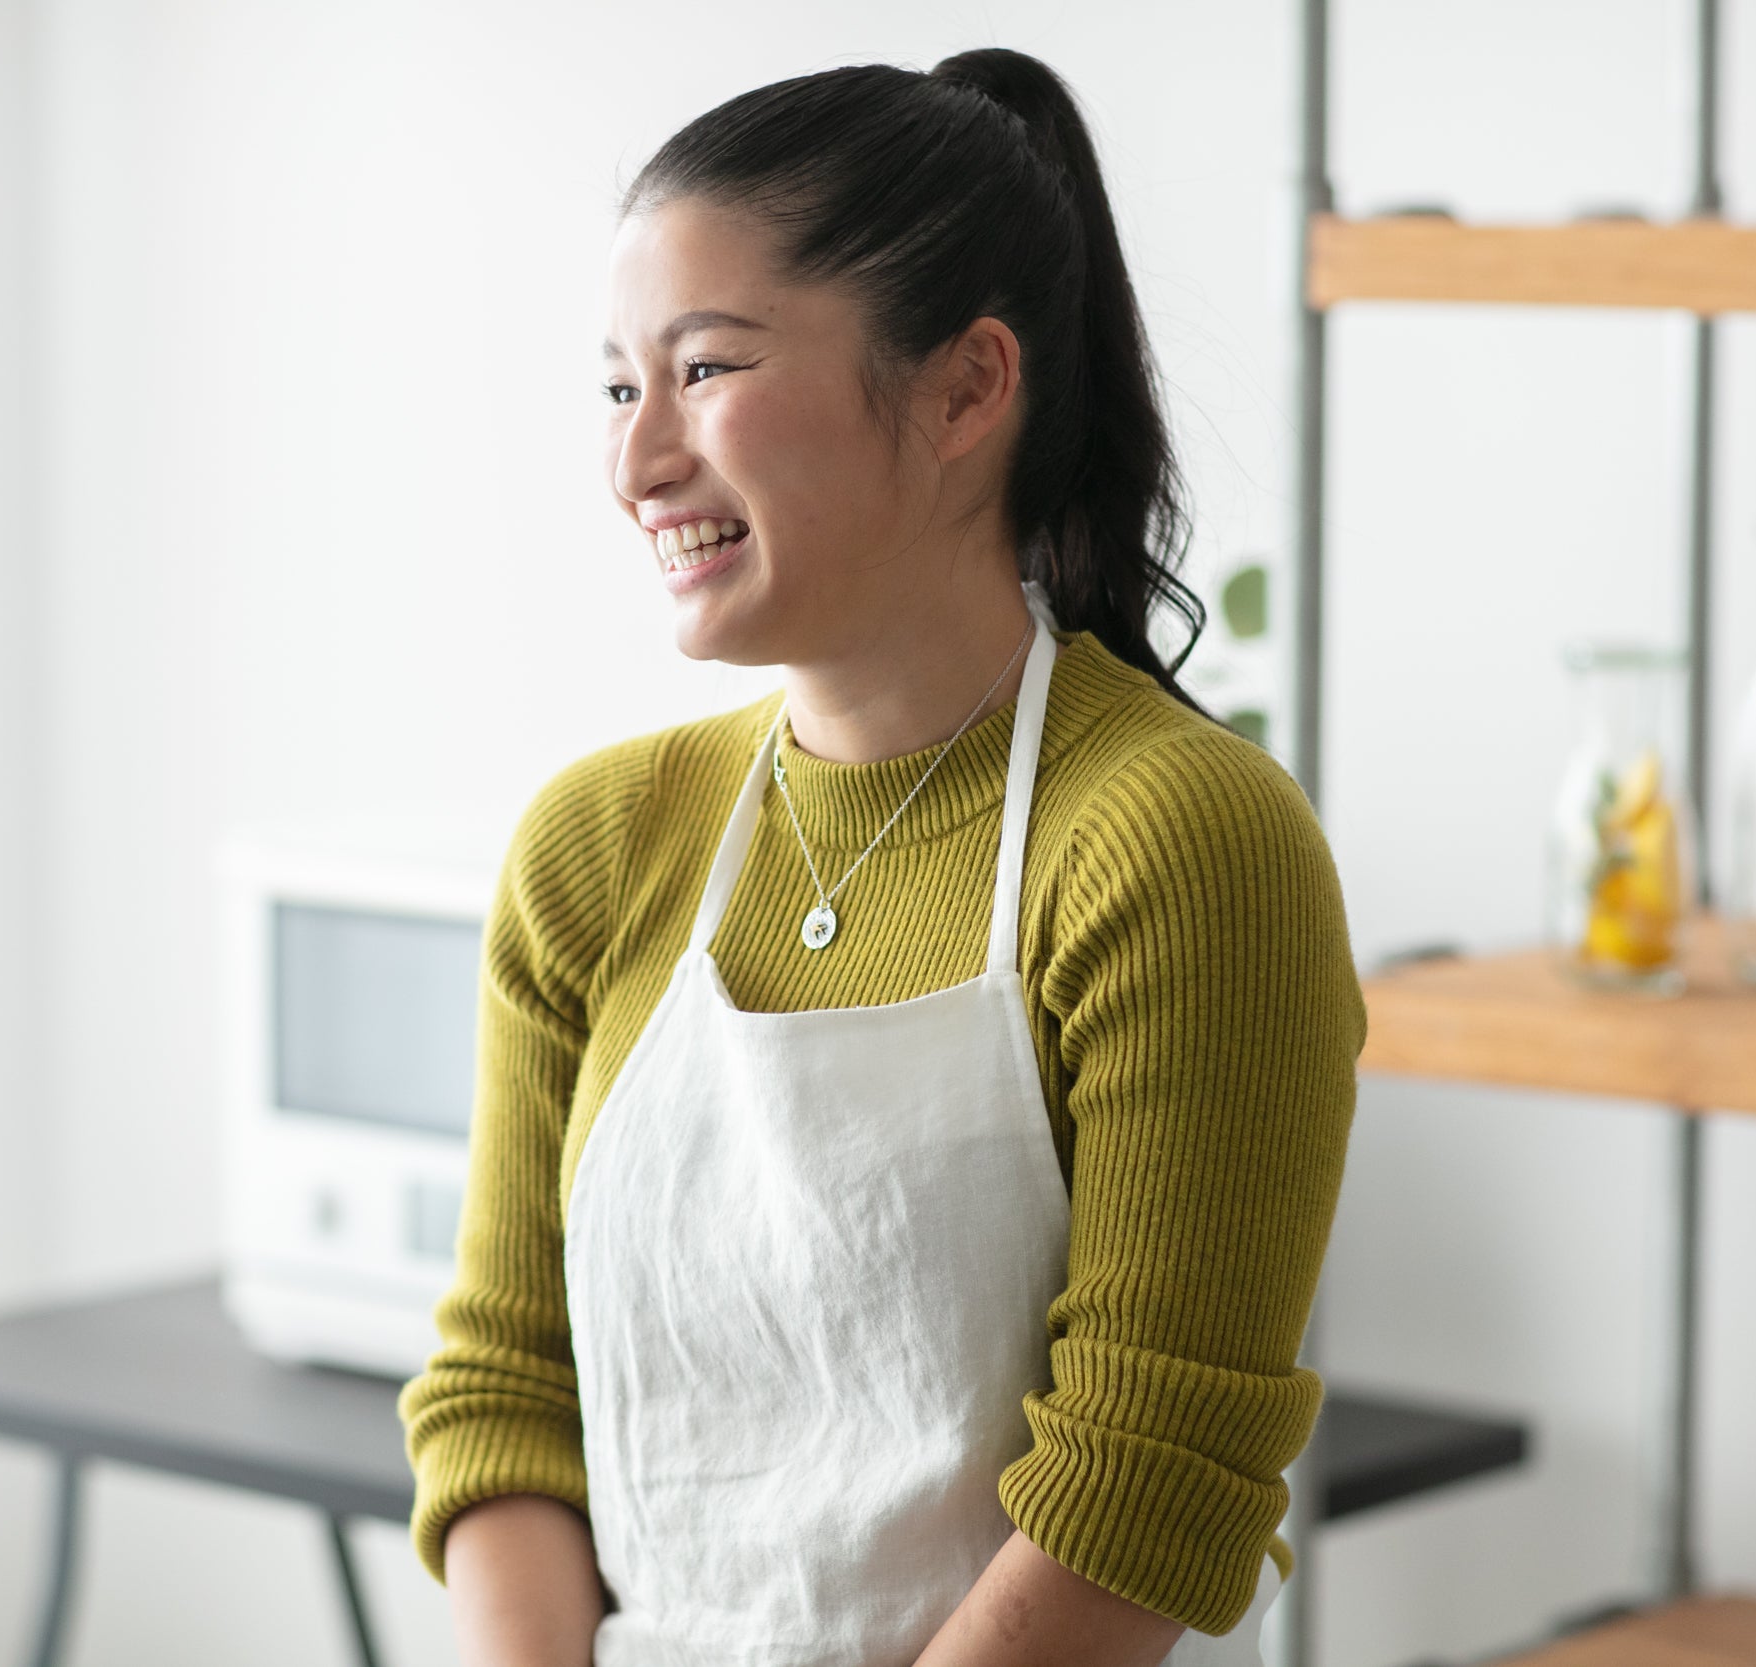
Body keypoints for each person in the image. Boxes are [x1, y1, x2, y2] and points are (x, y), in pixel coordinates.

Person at [395, 46, 1365, 1667]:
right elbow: (506, 1391)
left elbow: (1142, 1488)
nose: (638, 465)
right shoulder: (600, 844)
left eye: (706, 370)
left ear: (967, 389)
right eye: (622, 388)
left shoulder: (1179, 846)